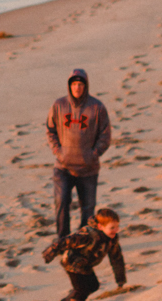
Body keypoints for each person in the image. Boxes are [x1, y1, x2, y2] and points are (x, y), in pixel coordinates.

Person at [45, 68, 112, 241]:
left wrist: (93, 154)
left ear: (86, 86)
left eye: (80, 84)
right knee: (61, 204)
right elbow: (50, 130)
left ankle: (82, 243)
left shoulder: (97, 107)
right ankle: (63, 241)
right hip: (63, 167)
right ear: (69, 86)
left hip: (88, 169)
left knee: (88, 210)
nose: (77, 88)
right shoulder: (59, 105)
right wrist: (58, 152)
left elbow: (105, 136)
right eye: (74, 84)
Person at [42, 207, 126, 301]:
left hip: (86, 265)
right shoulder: (88, 234)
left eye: (117, 226)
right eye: (112, 228)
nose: (116, 230)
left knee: (94, 286)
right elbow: (66, 241)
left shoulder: (112, 239)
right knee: (81, 290)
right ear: (100, 226)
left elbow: (116, 257)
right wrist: (51, 251)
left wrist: (120, 278)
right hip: (72, 263)